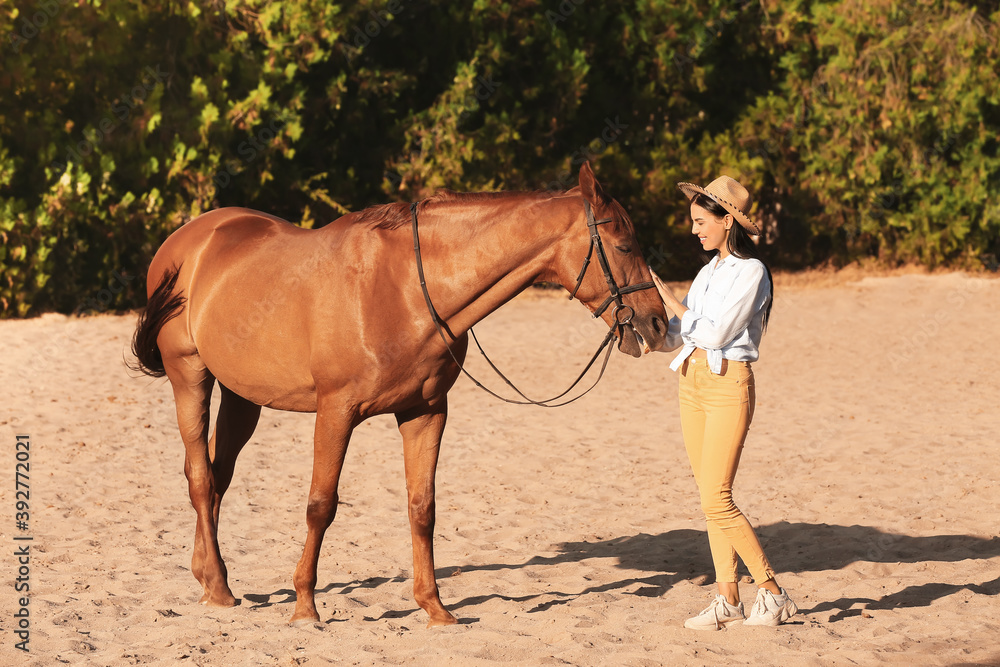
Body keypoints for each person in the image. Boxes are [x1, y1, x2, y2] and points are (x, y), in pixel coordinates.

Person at [649, 175, 798, 630]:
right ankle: (728, 599)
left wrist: (669, 297)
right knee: (709, 498)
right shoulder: (707, 272)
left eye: (700, 221)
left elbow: (714, 334)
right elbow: (680, 334)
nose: (694, 230)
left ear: (726, 220)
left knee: (718, 498)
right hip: (691, 383)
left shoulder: (751, 273)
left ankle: (772, 593)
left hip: (727, 384)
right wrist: (644, 327)